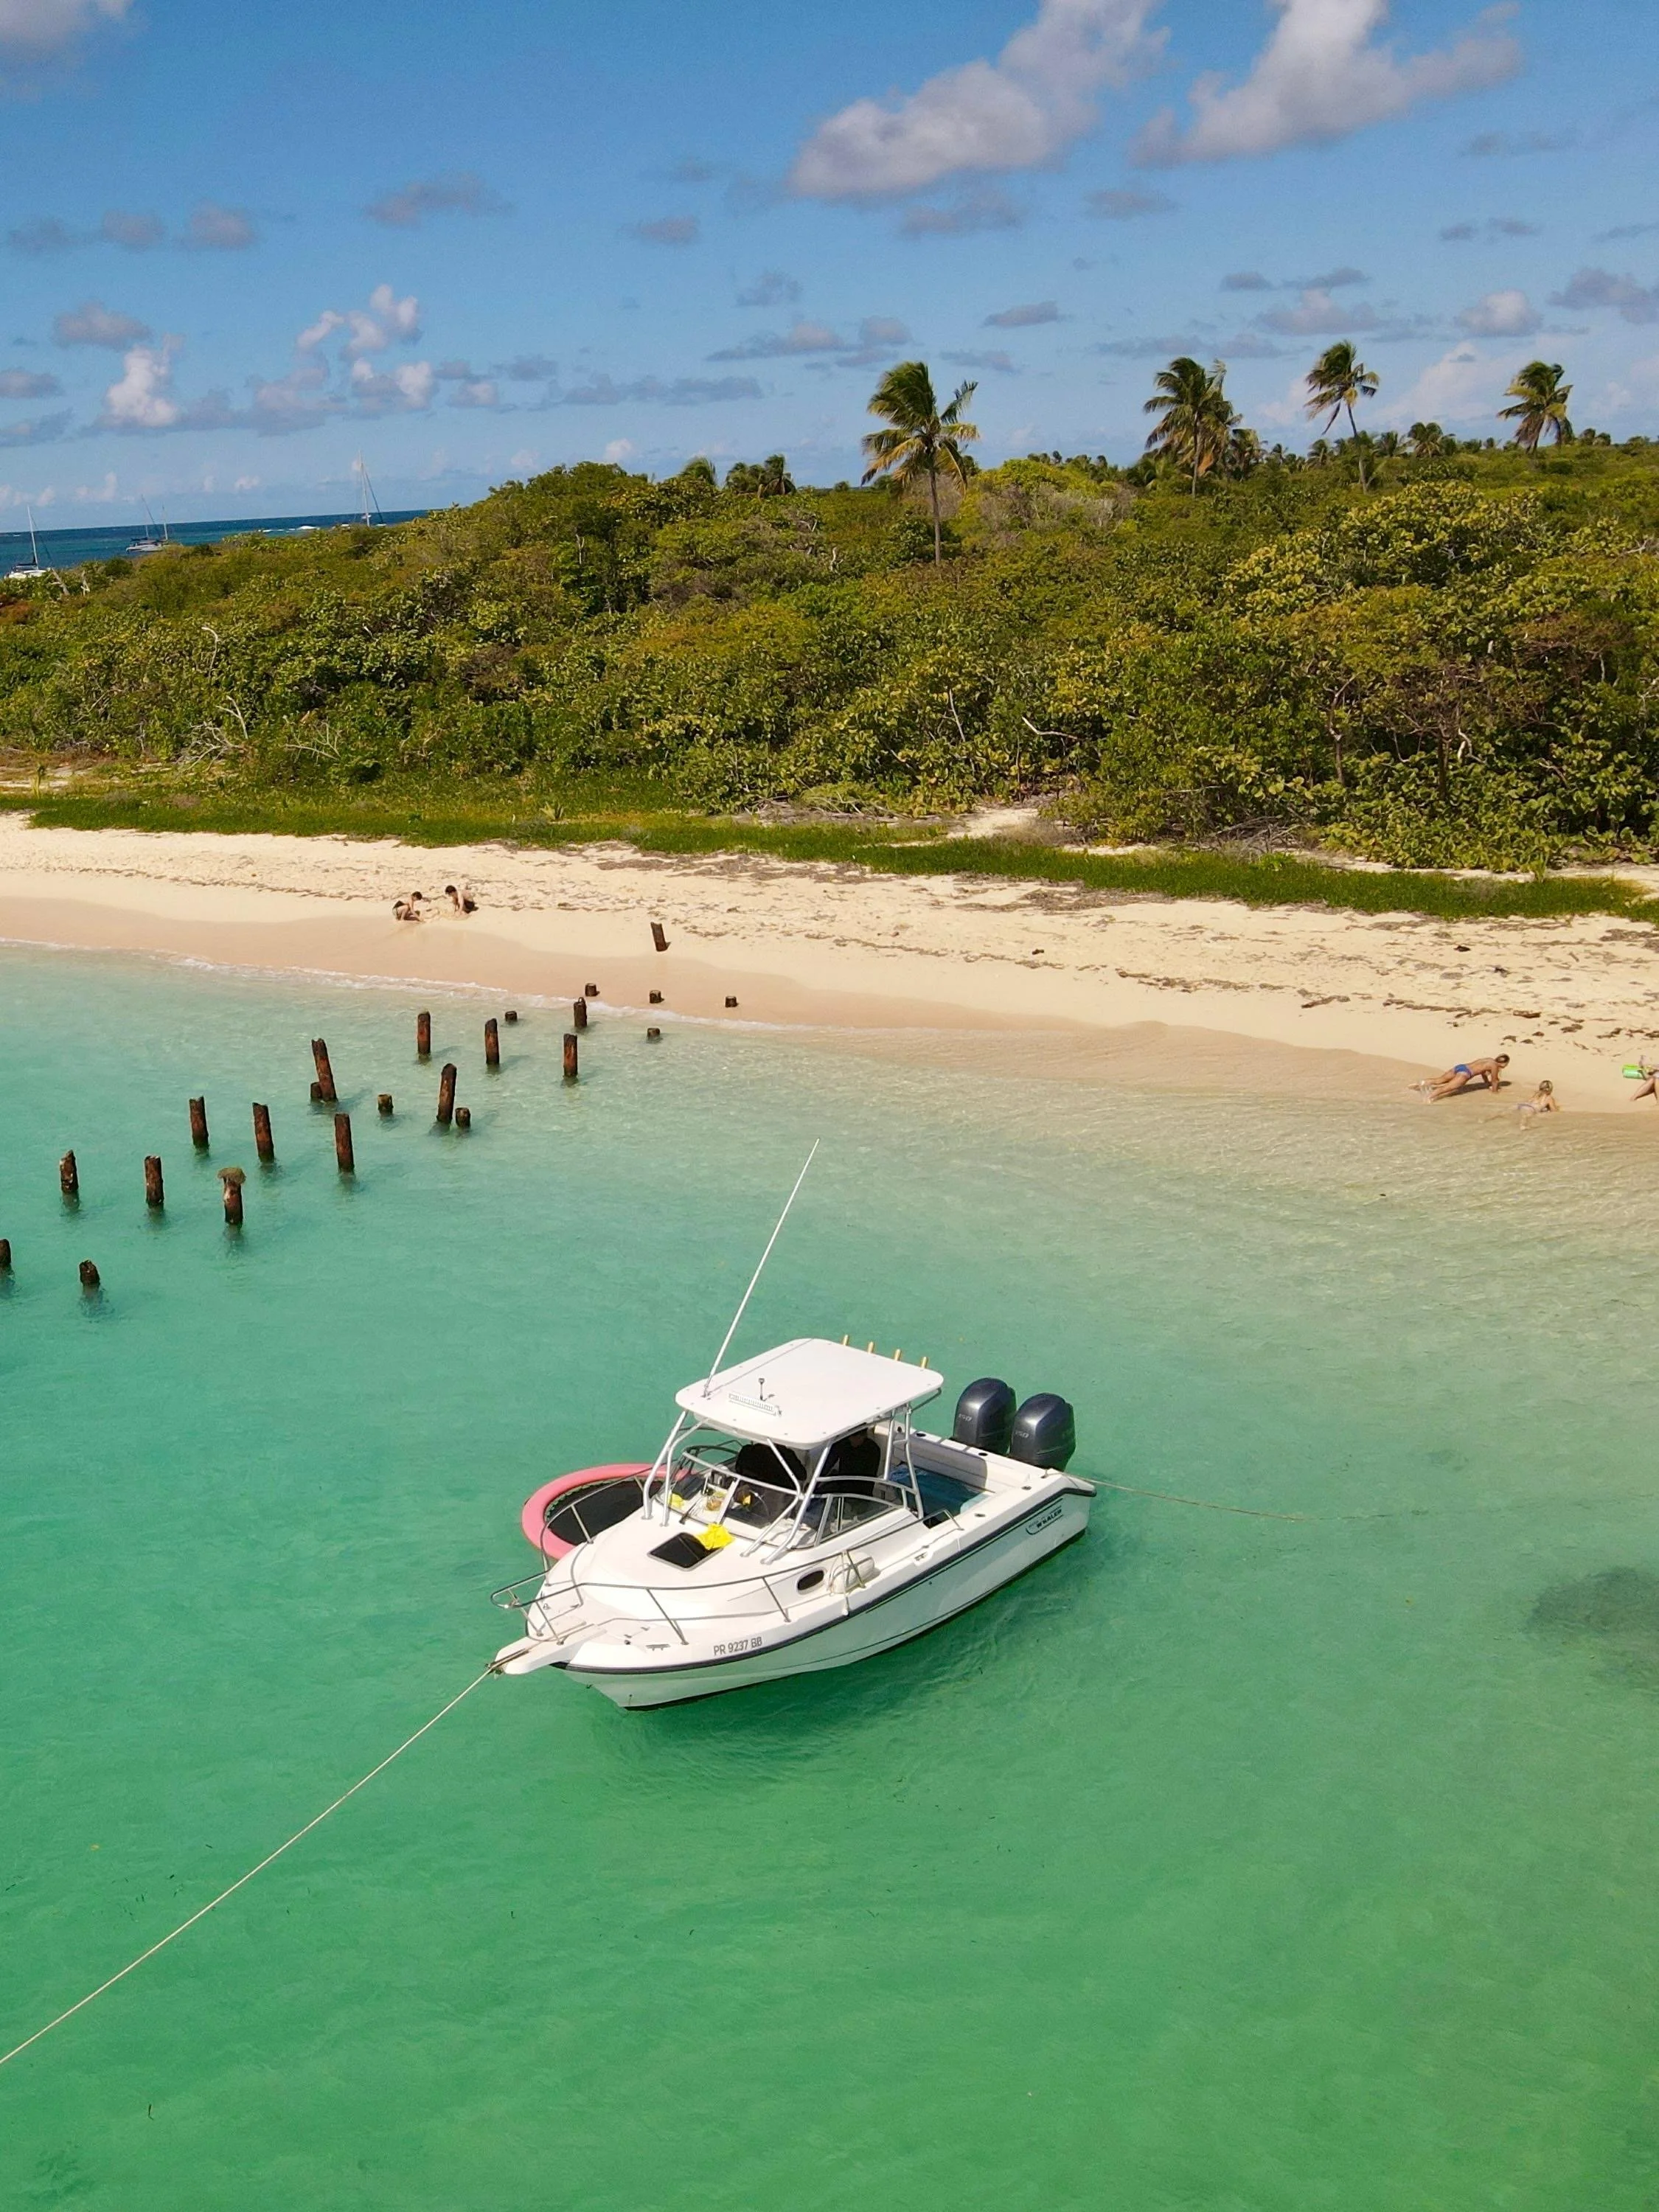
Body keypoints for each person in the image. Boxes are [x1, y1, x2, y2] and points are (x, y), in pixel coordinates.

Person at [1424, 1053, 1509, 1100]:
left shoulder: (1489, 1060)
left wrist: (1486, 1083)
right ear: (1504, 1063)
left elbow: (1483, 1073)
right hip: (1466, 1073)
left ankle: (1417, 1084)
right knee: (1445, 1089)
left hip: (1461, 1067)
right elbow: (1495, 1081)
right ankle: (1427, 1099)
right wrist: (1495, 1092)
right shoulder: (1494, 1066)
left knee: (1438, 1080)